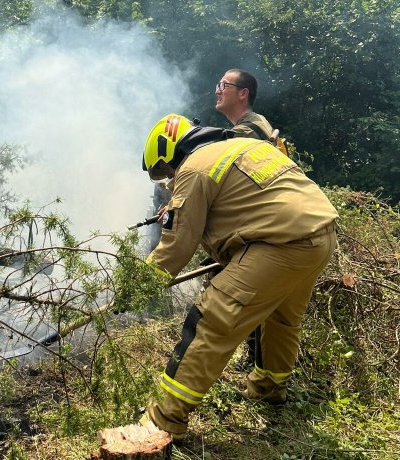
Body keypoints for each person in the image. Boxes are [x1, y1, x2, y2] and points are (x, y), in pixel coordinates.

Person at [139, 114, 338, 440]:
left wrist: (138, 285)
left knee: (210, 322)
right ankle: (268, 388)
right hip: (320, 237)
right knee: (281, 320)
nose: (168, 179)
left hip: (278, 245)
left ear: (172, 152)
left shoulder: (194, 167)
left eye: (165, 171)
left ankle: (163, 420)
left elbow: (176, 247)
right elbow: (252, 205)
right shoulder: (244, 146)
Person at [215, 68, 275, 371]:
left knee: (245, 291)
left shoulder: (252, 128)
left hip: (262, 225)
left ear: (243, 93)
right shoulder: (246, 126)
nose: (217, 90)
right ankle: (257, 358)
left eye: (224, 85)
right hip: (258, 221)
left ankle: (258, 361)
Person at [216, 68, 274, 140]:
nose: (217, 92)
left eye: (223, 85)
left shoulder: (243, 134)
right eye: (218, 86)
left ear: (243, 94)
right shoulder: (259, 120)